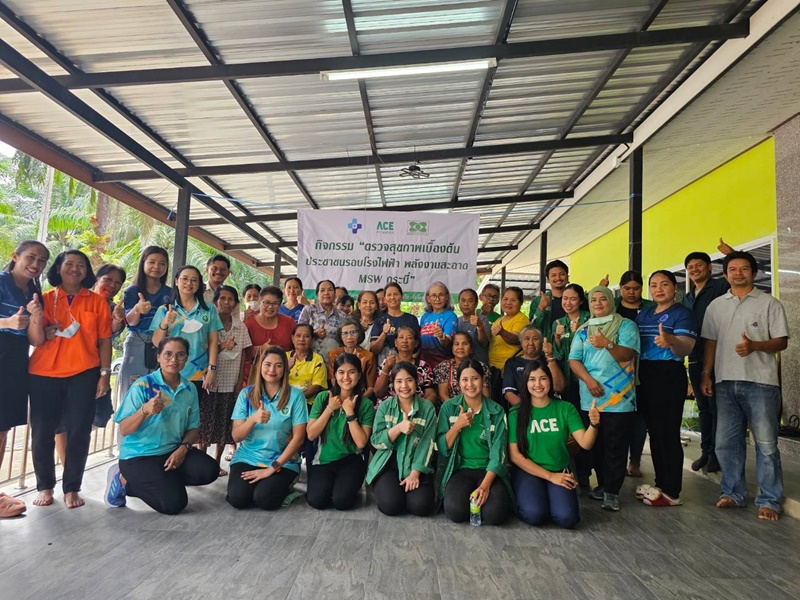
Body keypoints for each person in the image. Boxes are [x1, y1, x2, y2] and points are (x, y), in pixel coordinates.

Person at [701, 251, 789, 521]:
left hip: (761, 383)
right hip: (725, 382)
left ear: (754, 273)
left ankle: (769, 500)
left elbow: (781, 341)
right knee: (726, 444)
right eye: (733, 269)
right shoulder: (716, 306)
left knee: (766, 445)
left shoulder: (769, 303)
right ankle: (733, 493)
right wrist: (706, 374)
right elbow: (711, 342)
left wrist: (755, 346)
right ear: (725, 274)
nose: (738, 273)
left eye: (744, 269)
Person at [27, 250, 112, 508]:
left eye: (81, 265)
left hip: (84, 372)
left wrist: (104, 375)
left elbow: (104, 340)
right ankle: (45, 486)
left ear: (87, 271)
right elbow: (34, 338)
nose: (75, 269)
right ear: (58, 268)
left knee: (79, 432)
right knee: (41, 432)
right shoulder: (44, 299)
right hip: (43, 372)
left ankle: (72, 488)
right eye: (69, 264)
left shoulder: (97, 302)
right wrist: (39, 323)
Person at [104, 337, 219, 514]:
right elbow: (125, 429)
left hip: (171, 451)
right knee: (174, 504)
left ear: (186, 358)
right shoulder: (142, 385)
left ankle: (164, 481)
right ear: (158, 357)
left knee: (209, 470)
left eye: (180, 355)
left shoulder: (189, 388)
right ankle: (123, 480)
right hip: (139, 455)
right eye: (168, 354)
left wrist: (183, 449)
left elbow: (193, 427)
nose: (174, 360)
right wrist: (144, 410)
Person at [568, 285, 639, 511]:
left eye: (603, 299)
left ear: (611, 301)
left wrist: (606, 343)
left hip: (620, 399)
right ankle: (602, 485)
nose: (598, 303)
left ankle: (612, 492)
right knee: (595, 446)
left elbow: (628, 354)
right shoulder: (583, 330)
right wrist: (588, 381)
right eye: (594, 300)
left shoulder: (625, 325)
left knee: (615, 446)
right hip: (591, 398)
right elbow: (574, 360)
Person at [509, 360, 600, 528]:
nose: (538, 384)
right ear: (525, 383)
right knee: (534, 514)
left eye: (543, 378)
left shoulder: (565, 408)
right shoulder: (516, 413)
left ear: (550, 381)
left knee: (567, 518)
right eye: (532, 379)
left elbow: (585, 443)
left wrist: (594, 425)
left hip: (559, 469)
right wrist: (550, 477)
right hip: (529, 471)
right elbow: (515, 456)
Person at [636, 271, 698, 507]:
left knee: (668, 433)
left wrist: (671, 340)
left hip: (668, 374)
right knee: (654, 432)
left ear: (674, 287)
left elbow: (685, 349)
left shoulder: (683, 314)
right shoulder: (645, 313)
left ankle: (672, 491)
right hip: (645, 374)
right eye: (654, 285)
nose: (658, 289)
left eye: (664, 284)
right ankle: (660, 483)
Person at [226, 346, 308, 511]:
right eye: (268, 364)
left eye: (278, 365)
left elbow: (298, 438)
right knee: (238, 499)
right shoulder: (246, 394)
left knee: (265, 500)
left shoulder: (296, 396)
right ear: (260, 366)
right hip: (248, 457)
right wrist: (252, 419)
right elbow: (236, 437)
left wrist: (271, 469)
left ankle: (288, 488)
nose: (272, 370)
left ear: (285, 369)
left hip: (282, 461)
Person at [0, 240, 48, 499]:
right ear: (15, 256)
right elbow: (11, 323)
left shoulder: (34, 292)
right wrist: (7, 322)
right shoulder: (1, 282)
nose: (35, 264)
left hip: (16, 363)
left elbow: (34, 340)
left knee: (3, 428)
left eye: (41, 261)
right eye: (30, 257)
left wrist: (39, 323)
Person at [437, 359, 511, 525]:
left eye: (475, 378)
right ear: (458, 383)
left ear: (483, 380)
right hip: (460, 469)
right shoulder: (449, 407)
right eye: (465, 379)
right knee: (455, 511)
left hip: (489, 471)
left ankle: (481, 498)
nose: (470, 384)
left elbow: (499, 454)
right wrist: (457, 426)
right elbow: (442, 447)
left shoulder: (496, 411)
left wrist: (485, 486)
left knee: (494, 515)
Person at [366, 361, 437, 516]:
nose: (404, 386)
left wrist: (415, 474)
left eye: (409, 380)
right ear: (392, 384)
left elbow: (428, 444)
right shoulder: (385, 406)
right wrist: (398, 428)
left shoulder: (427, 408)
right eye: (399, 381)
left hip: (415, 463)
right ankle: (385, 487)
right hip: (388, 462)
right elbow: (375, 440)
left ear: (416, 381)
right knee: (391, 506)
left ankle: (407, 489)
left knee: (421, 507)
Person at [306, 353, 375, 510]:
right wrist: (330, 408)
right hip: (324, 460)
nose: (346, 377)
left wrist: (350, 413)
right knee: (317, 500)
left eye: (352, 372)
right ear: (335, 375)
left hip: (351, 460)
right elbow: (311, 434)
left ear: (359, 375)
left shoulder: (366, 404)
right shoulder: (323, 397)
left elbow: (361, 442)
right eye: (341, 372)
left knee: (342, 501)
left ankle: (345, 487)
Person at [683, 251, 730, 474]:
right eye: (690, 267)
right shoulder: (687, 297)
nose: (694, 269)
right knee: (703, 408)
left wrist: (731, 254)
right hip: (695, 358)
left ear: (710, 267)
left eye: (699, 265)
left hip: (719, 355)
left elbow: (737, 276)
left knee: (717, 407)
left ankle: (717, 454)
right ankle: (706, 451)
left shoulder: (720, 286)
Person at [200, 285, 252, 475]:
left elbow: (243, 355)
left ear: (236, 304)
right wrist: (222, 346)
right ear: (215, 302)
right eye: (222, 298)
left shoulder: (241, 327)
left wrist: (239, 383)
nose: (226, 302)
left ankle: (216, 463)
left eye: (230, 299)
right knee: (205, 424)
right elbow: (201, 352)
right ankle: (202, 462)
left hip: (230, 383)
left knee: (224, 425)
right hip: (210, 382)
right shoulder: (207, 324)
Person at [606, 271, 654, 478]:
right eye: (627, 288)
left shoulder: (650, 308)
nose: (631, 292)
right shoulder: (612, 306)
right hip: (614, 370)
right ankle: (615, 462)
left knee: (639, 416)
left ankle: (635, 460)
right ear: (620, 288)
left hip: (644, 366)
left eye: (636, 288)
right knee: (617, 417)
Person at [150, 265, 223, 399]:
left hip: (198, 374)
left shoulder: (209, 310)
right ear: (176, 281)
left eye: (194, 280)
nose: (189, 283)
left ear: (199, 285)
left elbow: (213, 341)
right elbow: (156, 342)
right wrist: (165, 323)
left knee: (192, 410)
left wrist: (212, 369)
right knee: (167, 410)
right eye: (184, 279)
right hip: (169, 371)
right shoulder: (164, 310)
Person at [550, 283, 591, 486]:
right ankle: (573, 470)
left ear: (581, 300)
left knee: (587, 425)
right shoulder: (558, 323)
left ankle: (585, 472)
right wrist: (557, 339)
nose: (568, 302)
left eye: (573, 298)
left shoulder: (590, 320)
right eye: (565, 299)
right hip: (567, 383)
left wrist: (576, 334)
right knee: (571, 428)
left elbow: (589, 350)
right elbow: (558, 356)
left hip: (586, 381)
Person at [120, 246, 171, 404]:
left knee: (157, 395)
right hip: (137, 342)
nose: (157, 267)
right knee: (131, 393)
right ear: (143, 263)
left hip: (161, 344)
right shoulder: (132, 291)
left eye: (162, 263)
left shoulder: (170, 293)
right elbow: (130, 322)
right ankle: (128, 421)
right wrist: (137, 309)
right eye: (152, 262)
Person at [489, 286, 530, 409]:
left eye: (513, 300)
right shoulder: (499, 319)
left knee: (507, 406)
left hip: (508, 372)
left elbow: (516, 339)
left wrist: (502, 332)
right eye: (505, 299)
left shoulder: (521, 319)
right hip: (494, 370)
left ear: (521, 302)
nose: (508, 303)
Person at [502, 326, 565, 406]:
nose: (531, 343)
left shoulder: (548, 360)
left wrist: (549, 356)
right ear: (521, 342)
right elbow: (509, 394)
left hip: (548, 407)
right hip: (522, 408)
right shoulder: (512, 363)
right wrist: (528, 410)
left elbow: (559, 387)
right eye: (527, 339)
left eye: (535, 339)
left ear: (541, 342)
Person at [243, 286, 295, 382]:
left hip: (286, 374)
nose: (270, 307)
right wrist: (260, 349)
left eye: (275, 303)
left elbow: (298, 346)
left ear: (280, 305)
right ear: (259, 301)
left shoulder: (289, 322)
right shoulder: (248, 324)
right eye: (266, 302)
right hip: (256, 377)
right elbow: (243, 352)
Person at [375, 326, 437, 405]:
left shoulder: (424, 366)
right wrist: (386, 368)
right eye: (401, 337)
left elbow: (431, 394)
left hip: (416, 407)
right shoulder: (387, 363)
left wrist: (421, 408)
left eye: (409, 338)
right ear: (395, 343)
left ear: (416, 343)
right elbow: (378, 393)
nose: (404, 341)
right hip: (389, 408)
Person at [433, 331, 491, 403]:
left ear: (471, 349)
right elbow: (443, 394)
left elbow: (485, 394)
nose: (460, 347)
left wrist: (476, 408)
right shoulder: (443, 367)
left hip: (477, 406)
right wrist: (456, 408)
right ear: (452, 348)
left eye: (465, 344)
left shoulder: (481, 366)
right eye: (456, 344)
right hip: (451, 407)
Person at [298, 280, 345, 368]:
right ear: (317, 294)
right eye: (322, 290)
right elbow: (299, 334)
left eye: (330, 290)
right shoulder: (308, 310)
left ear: (335, 294)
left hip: (334, 363)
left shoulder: (342, 315)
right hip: (310, 362)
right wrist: (315, 334)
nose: (326, 293)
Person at [370, 282, 420, 363]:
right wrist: (384, 333)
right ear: (385, 299)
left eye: (396, 294)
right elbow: (374, 350)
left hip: (407, 366)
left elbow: (417, 346)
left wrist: (409, 363)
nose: (392, 297)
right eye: (389, 295)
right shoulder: (379, 321)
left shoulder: (412, 319)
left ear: (401, 297)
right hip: (385, 366)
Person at [328, 319, 377, 400]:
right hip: (339, 397)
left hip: (361, 397)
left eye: (353, 332)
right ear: (340, 336)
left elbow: (371, 388)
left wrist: (357, 400)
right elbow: (334, 380)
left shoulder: (368, 356)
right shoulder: (333, 354)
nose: (349, 337)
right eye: (345, 333)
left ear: (359, 334)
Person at [418, 281, 458, 368]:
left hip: (442, 363)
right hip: (424, 363)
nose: (437, 299)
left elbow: (448, 342)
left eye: (441, 295)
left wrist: (441, 336)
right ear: (428, 298)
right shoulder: (425, 317)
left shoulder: (451, 316)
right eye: (433, 295)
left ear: (446, 297)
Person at [287, 323, 328, 405]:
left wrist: (295, 400)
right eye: (298, 336)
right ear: (292, 338)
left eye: (306, 336)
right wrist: (287, 368)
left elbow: (316, 387)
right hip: (283, 401)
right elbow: (274, 380)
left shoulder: (317, 360)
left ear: (312, 339)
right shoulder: (283, 357)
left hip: (307, 403)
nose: (301, 339)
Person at [529, 259, 569, 335]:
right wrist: (540, 308)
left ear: (567, 277)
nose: (558, 278)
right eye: (554, 275)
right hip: (546, 341)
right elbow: (532, 328)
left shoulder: (577, 299)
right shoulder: (537, 301)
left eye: (562, 274)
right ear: (548, 280)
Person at [456, 288, 490, 365]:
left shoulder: (482, 319)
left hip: (479, 365)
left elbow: (484, 343)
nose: (466, 304)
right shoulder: (456, 321)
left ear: (476, 303)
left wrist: (480, 327)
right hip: (460, 366)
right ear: (459, 303)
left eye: (470, 301)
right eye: (463, 300)